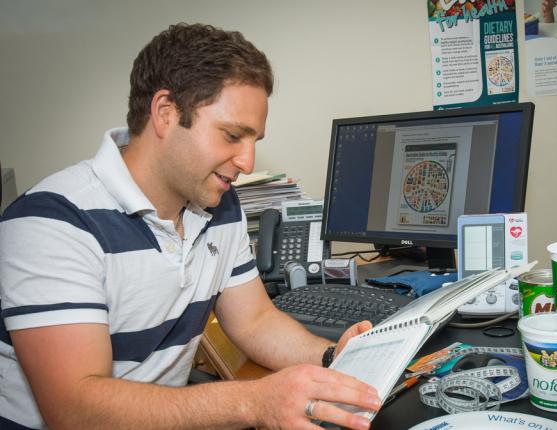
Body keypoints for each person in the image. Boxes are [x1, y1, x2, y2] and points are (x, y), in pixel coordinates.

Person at [0, 23, 380, 430]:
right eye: (233, 135)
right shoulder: (51, 221)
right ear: (165, 113)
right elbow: (75, 409)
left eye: (254, 141)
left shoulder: (218, 203)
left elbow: (255, 321)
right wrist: (254, 402)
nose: (248, 162)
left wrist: (330, 357)